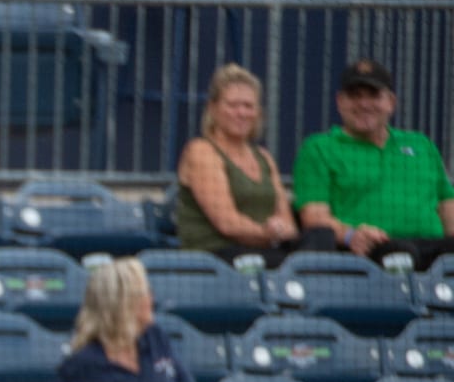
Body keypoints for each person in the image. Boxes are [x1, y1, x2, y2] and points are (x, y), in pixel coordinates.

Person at [294, 58, 454, 270]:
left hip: (434, 252)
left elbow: (447, 206)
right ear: (340, 101)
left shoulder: (421, 145)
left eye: (373, 95)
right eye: (355, 96)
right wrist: (351, 235)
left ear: (391, 102)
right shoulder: (319, 148)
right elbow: (314, 218)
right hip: (371, 253)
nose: (364, 104)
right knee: (400, 254)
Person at [175, 63, 309, 269]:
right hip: (214, 258)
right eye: (233, 105)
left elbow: (288, 223)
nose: (241, 113)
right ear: (213, 108)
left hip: (266, 251)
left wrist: (280, 231)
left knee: (319, 242)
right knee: (297, 266)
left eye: (248, 106)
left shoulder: (264, 157)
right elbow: (228, 224)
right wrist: (269, 233)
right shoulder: (201, 151)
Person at [53, 258, 198, 382]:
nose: (152, 299)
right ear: (125, 303)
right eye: (146, 292)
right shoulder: (82, 365)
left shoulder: (156, 338)